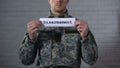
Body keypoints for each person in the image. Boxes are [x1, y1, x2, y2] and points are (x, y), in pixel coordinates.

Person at [19, 0, 98, 68]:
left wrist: (85, 38)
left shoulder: (79, 27)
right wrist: (31, 39)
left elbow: (91, 60)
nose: (59, 0)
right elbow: (25, 61)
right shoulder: (38, 27)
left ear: (67, 0)